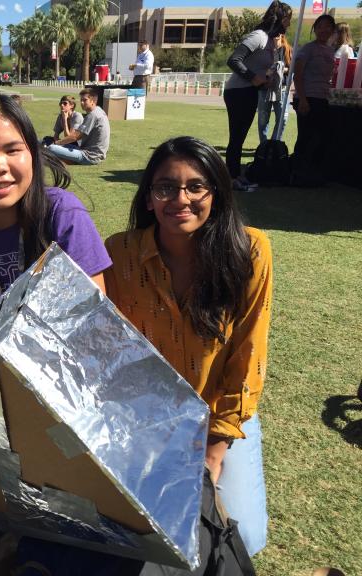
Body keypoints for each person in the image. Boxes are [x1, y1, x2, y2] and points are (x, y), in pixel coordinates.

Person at [103, 136, 272, 556]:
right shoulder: (119, 253)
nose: (181, 199)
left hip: (220, 419)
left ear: (217, 193)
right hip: (149, 421)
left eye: (197, 186)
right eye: (165, 187)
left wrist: (214, 452)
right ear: (148, 198)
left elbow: (248, 356)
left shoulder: (250, 251)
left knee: (242, 537)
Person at [0, 95, 112, 365]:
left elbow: (95, 323)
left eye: (13, 150)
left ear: (33, 156)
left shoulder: (62, 214)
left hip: (67, 368)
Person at [224, 0, 292, 191]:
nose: (289, 23)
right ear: (279, 18)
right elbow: (234, 60)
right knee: (237, 137)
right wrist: (253, 77)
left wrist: (264, 80)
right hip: (238, 92)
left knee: (240, 136)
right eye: (288, 18)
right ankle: (232, 177)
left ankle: (234, 175)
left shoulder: (270, 40)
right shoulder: (259, 36)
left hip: (249, 92)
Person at [292, 13, 336, 186]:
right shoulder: (308, 49)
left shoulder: (331, 50)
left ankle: (313, 174)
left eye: (327, 27)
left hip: (322, 97)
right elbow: (298, 75)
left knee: (321, 138)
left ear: (332, 30)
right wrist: (302, 99)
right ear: (315, 29)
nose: (323, 30)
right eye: (319, 26)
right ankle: (298, 174)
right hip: (307, 97)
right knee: (306, 137)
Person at [46, 87, 110, 166]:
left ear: (93, 101)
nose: (82, 103)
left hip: (90, 156)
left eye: (85, 100)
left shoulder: (93, 115)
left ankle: (56, 160)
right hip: (87, 151)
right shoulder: (98, 111)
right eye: (81, 100)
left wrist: (57, 143)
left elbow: (74, 137)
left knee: (51, 148)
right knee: (46, 142)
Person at [257, 33, 291, 143]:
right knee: (263, 119)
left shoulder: (287, 49)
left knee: (283, 118)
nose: (276, 35)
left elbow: (292, 69)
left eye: (279, 32)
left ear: (282, 34)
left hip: (282, 88)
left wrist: (281, 69)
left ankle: (275, 143)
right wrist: (266, 72)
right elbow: (258, 68)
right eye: (274, 32)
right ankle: (264, 144)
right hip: (265, 88)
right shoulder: (265, 50)